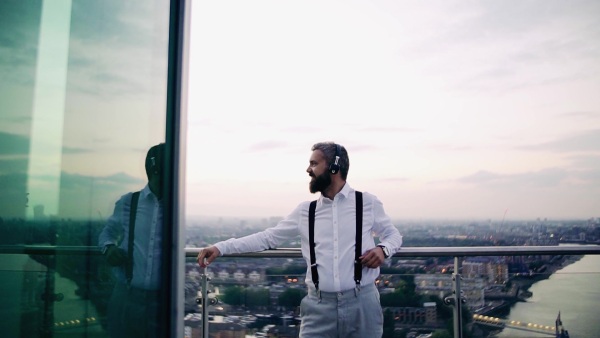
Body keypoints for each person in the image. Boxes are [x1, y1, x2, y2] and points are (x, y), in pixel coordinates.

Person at [197, 141, 403, 338]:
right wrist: (221, 247)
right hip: (318, 306)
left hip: (362, 304)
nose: (308, 169)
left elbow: (393, 235)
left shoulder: (366, 202)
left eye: (314, 163)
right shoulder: (306, 211)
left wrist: (383, 249)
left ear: (334, 167)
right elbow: (268, 238)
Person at [98, 143, 165, 338]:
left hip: (162, 299)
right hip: (127, 295)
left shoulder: (176, 207)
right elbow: (107, 233)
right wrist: (109, 249)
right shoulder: (129, 202)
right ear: (155, 170)